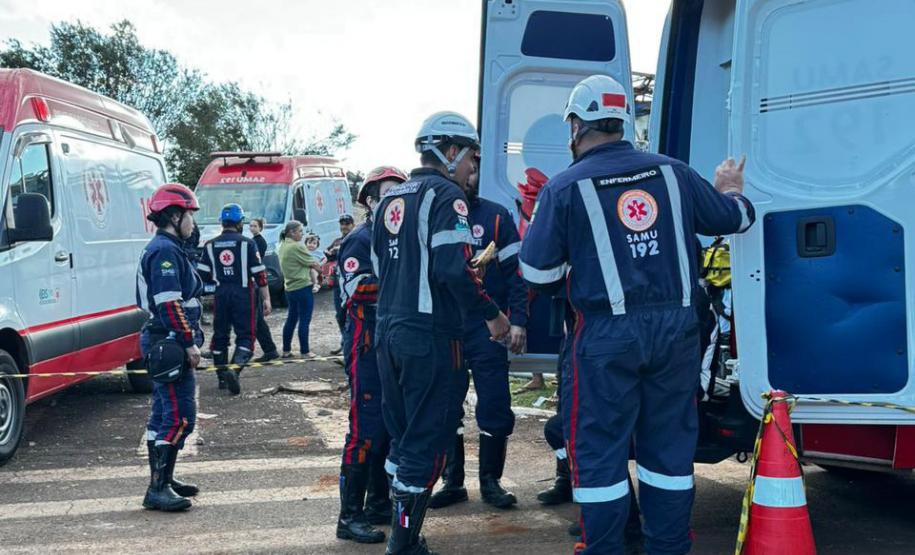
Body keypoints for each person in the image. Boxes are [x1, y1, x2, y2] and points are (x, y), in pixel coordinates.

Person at [519, 75, 755, 555]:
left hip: (604, 336)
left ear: (575, 126)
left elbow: (537, 275)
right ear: (624, 121)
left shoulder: (564, 187)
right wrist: (729, 190)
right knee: (668, 449)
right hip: (677, 333)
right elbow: (737, 219)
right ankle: (667, 547)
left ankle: (606, 547)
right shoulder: (674, 173)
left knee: (599, 451)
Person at [372, 111, 511, 555]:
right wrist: (492, 313)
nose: (474, 167)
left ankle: (403, 531)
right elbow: (453, 269)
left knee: (402, 437)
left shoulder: (390, 200)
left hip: (387, 332)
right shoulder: (447, 194)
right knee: (428, 441)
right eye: (472, 156)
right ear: (450, 152)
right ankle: (404, 544)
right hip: (429, 337)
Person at [430, 154, 529, 510]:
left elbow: (517, 274)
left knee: (495, 404)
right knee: (445, 407)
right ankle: (452, 481)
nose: (468, 176)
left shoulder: (497, 216)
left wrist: (518, 319)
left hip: (489, 328)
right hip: (446, 329)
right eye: (465, 169)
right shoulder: (437, 212)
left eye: (474, 171)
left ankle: (491, 482)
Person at [335, 166, 408, 545]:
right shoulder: (361, 240)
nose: (393, 201)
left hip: (390, 344)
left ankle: (378, 503)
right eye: (387, 194)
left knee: (386, 429)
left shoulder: (397, 238)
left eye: (400, 193)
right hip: (365, 344)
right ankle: (348, 516)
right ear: (369, 200)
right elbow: (355, 289)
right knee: (364, 432)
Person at [136, 183, 204, 512]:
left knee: (162, 414)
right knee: (180, 417)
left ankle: (164, 479)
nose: (193, 222)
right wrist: (188, 342)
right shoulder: (164, 251)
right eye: (189, 215)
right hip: (170, 340)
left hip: (164, 338)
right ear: (175, 216)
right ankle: (157, 488)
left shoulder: (169, 248)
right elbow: (169, 303)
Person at [198, 204, 271, 395]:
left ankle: (222, 377)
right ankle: (235, 369)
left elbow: (202, 276)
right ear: (240, 223)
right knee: (246, 336)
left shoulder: (210, 245)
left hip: (220, 294)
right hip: (244, 294)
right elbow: (260, 274)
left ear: (222, 223)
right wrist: (266, 299)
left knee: (220, 335)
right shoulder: (248, 243)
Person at [277, 221, 322, 359]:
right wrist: (321, 272)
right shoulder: (297, 247)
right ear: (292, 232)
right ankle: (305, 351)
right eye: (300, 231)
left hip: (289, 287)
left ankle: (286, 350)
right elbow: (314, 263)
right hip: (302, 286)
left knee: (291, 318)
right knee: (304, 320)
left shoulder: (283, 245)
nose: (302, 234)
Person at [248, 217, 280, 363]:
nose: (252, 228)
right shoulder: (253, 241)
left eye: (255, 226)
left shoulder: (258, 242)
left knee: (257, 321)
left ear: (260, 227)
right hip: (255, 280)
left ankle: (268, 350)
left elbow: (256, 262)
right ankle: (269, 350)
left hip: (255, 280)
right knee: (258, 320)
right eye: (251, 226)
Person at [329, 213, 356, 355]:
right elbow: (327, 254)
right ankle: (345, 342)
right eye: (342, 224)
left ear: (353, 225)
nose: (344, 226)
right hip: (338, 283)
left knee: (351, 314)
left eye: (347, 224)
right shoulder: (337, 241)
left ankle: (349, 346)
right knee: (340, 315)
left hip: (352, 283)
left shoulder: (357, 239)